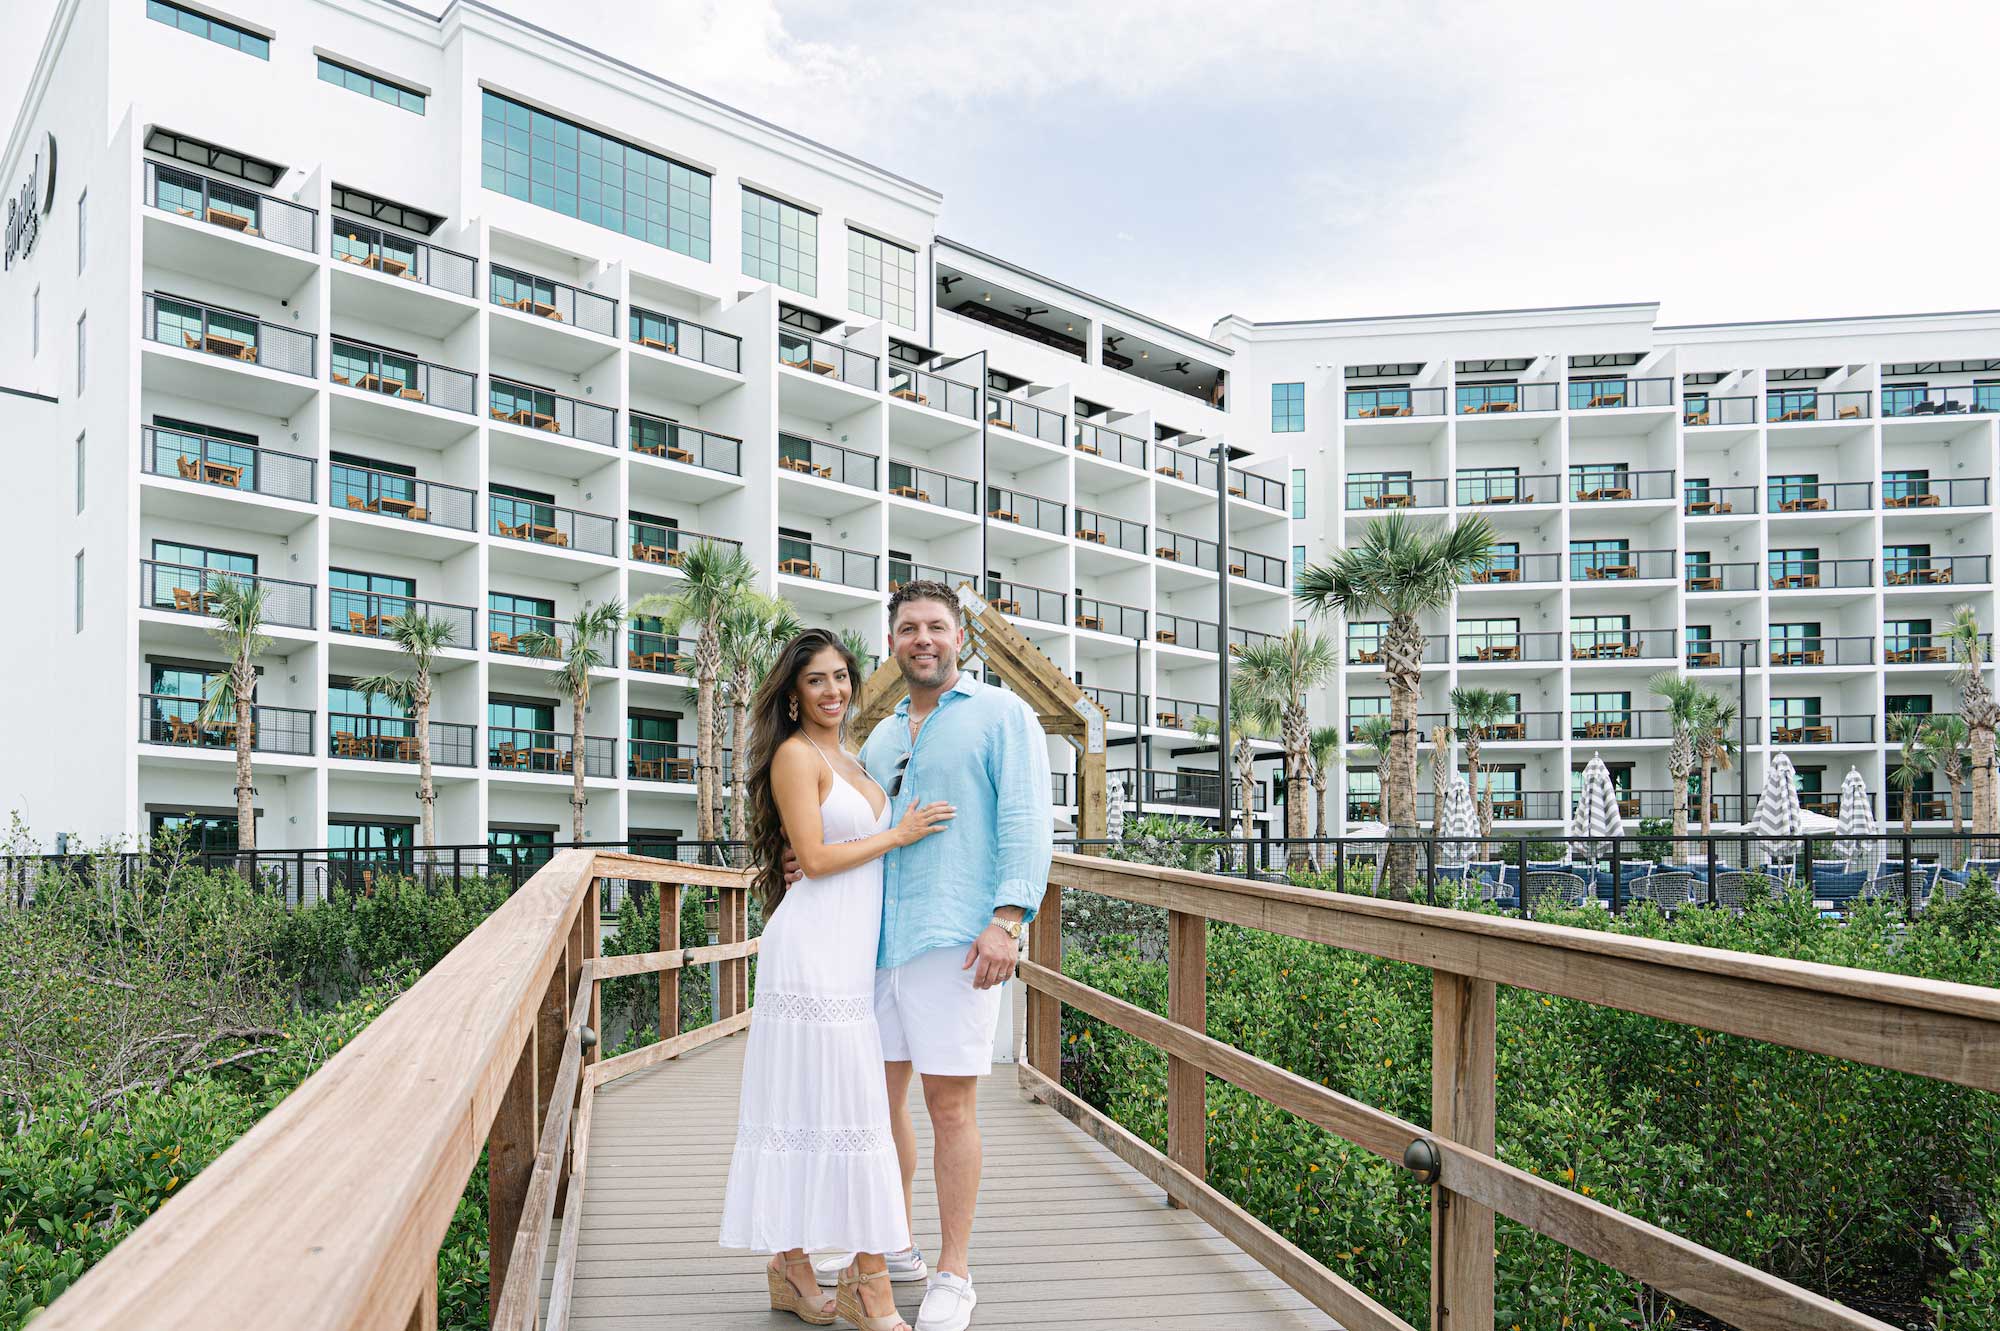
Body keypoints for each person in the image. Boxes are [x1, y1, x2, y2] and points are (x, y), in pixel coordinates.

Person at [800, 579, 1054, 1331]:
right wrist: (805, 858)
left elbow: (1026, 820)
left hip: (958, 938)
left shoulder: (1003, 715)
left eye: (936, 627)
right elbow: (861, 832)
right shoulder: (877, 737)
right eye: (908, 627)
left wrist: (1008, 919)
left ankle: (955, 1270)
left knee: (950, 1107)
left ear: (960, 639)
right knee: (875, 1107)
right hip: (880, 944)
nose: (923, 639)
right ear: (892, 642)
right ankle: (895, 1242)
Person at [720, 628, 955, 1330]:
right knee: (838, 1107)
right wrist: (898, 834)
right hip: (812, 952)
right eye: (816, 680)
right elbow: (816, 859)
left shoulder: (849, 756)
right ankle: (865, 1280)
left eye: (841, 677)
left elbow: (833, 852)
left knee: (826, 1105)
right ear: (793, 693)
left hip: (853, 956)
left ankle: (794, 1266)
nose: (833, 690)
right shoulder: (795, 755)